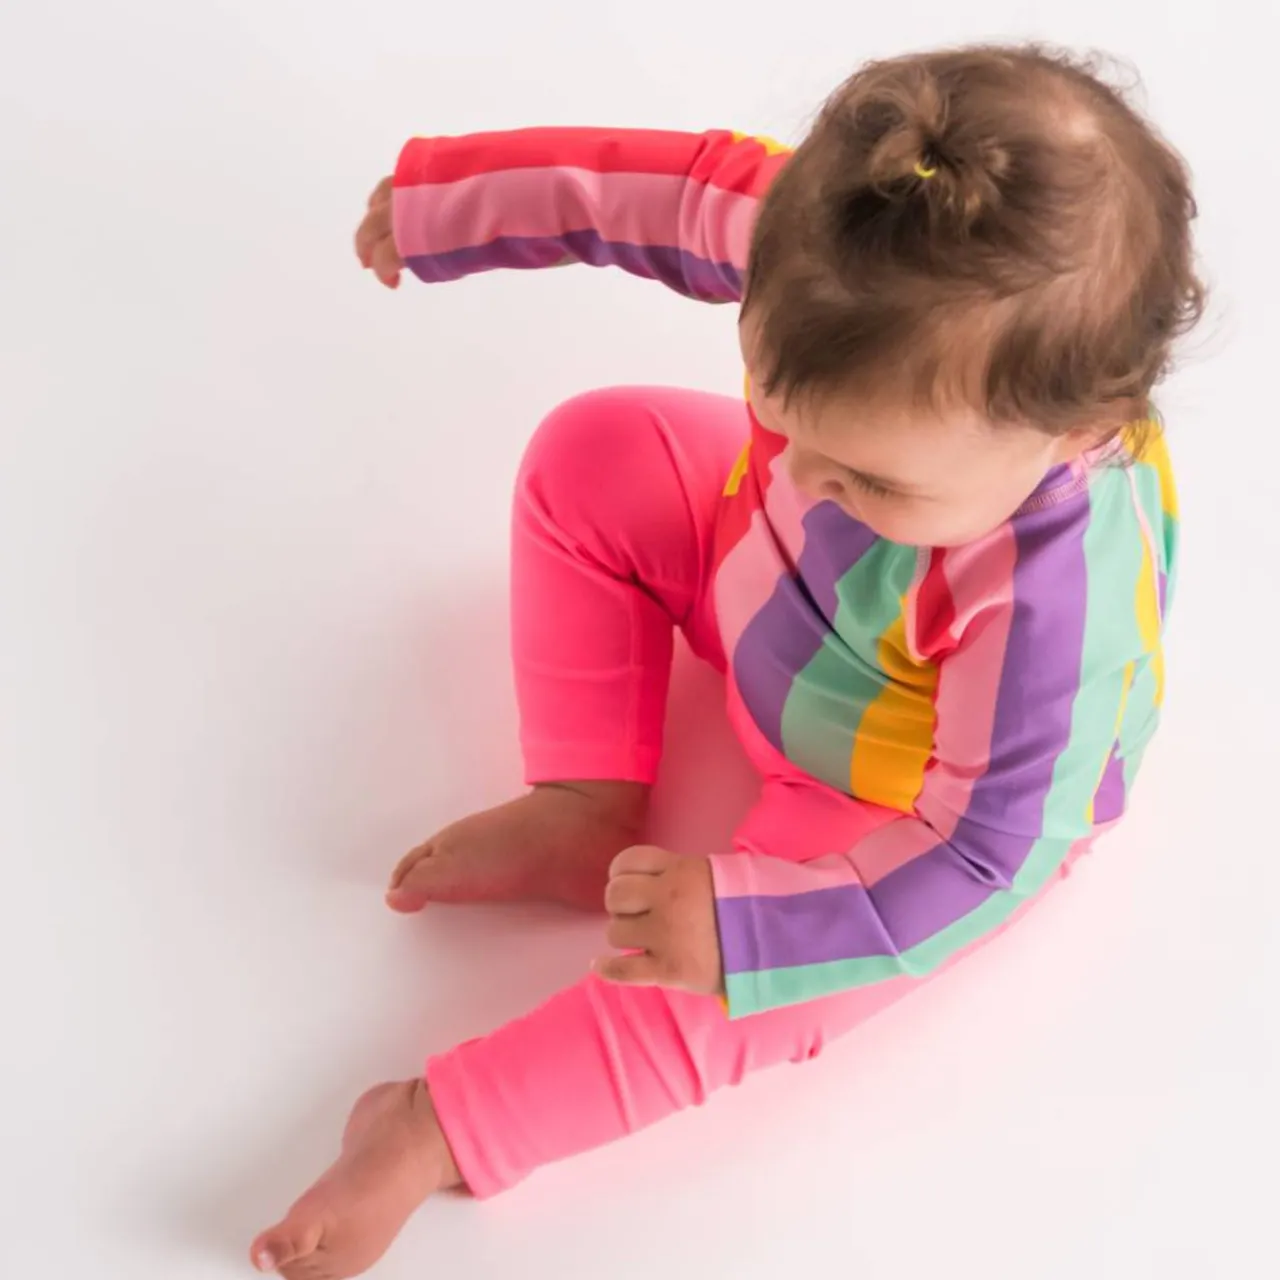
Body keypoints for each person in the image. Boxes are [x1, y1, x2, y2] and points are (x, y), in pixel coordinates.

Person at [251, 43, 1203, 1279]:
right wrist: (453, 201)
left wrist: (760, 925)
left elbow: (981, 856)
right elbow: (652, 191)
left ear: (1070, 431)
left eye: (869, 479)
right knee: (592, 448)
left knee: (737, 986)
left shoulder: (1058, 609)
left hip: (883, 794)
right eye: (777, 407)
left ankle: (440, 1125)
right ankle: (585, 797)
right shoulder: (836, 251)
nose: (802, 475)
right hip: (752, 580)